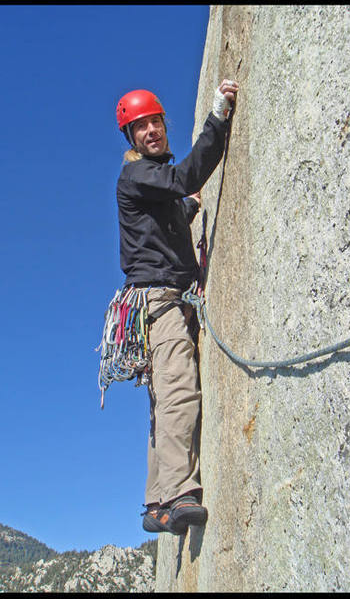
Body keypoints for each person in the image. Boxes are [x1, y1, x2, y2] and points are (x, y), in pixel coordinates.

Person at [115, 79, 239, 535]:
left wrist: (185, 212)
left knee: (162, 401)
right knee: (178, 391)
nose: (151, 131)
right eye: (141, 126)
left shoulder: (148, 184)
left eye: (155, 122)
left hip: (152, 304)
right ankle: (180, 493)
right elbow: (183, 178)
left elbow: (158, 228)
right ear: (131, 139)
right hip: (160, 303)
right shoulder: (137, 175)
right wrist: (218, 117)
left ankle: (155, 504)